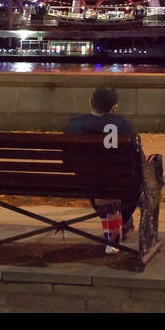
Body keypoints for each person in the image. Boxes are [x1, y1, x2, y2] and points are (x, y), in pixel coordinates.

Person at [65, 86, 139, 251]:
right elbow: (132, 159)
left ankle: (116, 226)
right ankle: (120, 224)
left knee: (101, 188)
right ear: (115, 108)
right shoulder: (123, 126)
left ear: (90, 102)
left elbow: (67, 159)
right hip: (116, 183)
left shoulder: (74, 125)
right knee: (126, 188)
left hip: (81, 182)